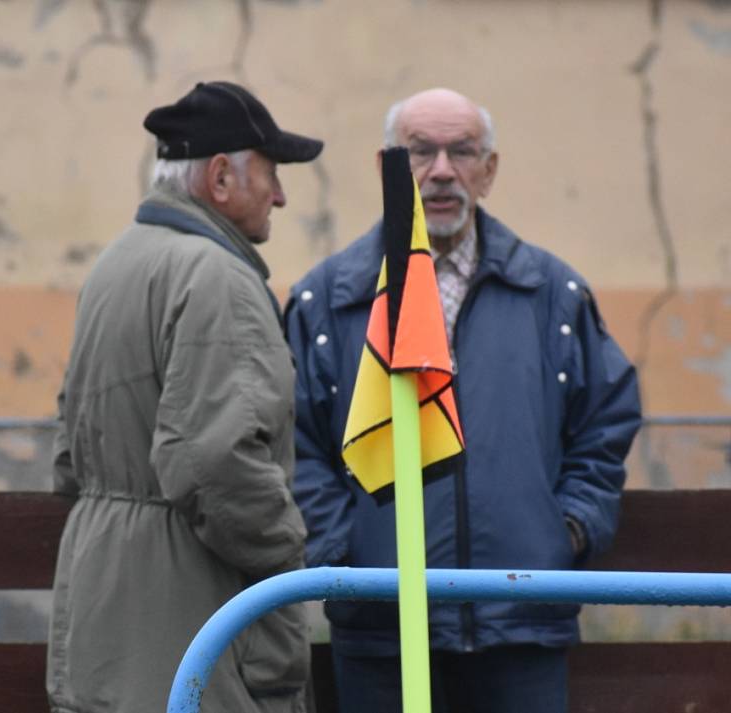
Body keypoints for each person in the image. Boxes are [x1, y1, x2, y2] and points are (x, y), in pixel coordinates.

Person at [284, 87, 641, 713]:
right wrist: (344, 548)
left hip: (521, 621)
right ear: (386, 169)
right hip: (381, 627)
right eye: (420, 151)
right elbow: (292, 439)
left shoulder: (553, 295)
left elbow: (604, 423)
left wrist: (566, 531)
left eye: (462, 151)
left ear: (490, 169)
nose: (442, 170)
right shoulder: (328, 298)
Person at [47, 81, 323, 713]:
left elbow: (68, 455)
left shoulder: (117, 264)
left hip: (103, 609)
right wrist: (287, 556)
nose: (280, 194)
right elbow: (213, 464)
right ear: (221, 177)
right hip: (191, 613)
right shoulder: (217, 276)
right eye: (271, 172)